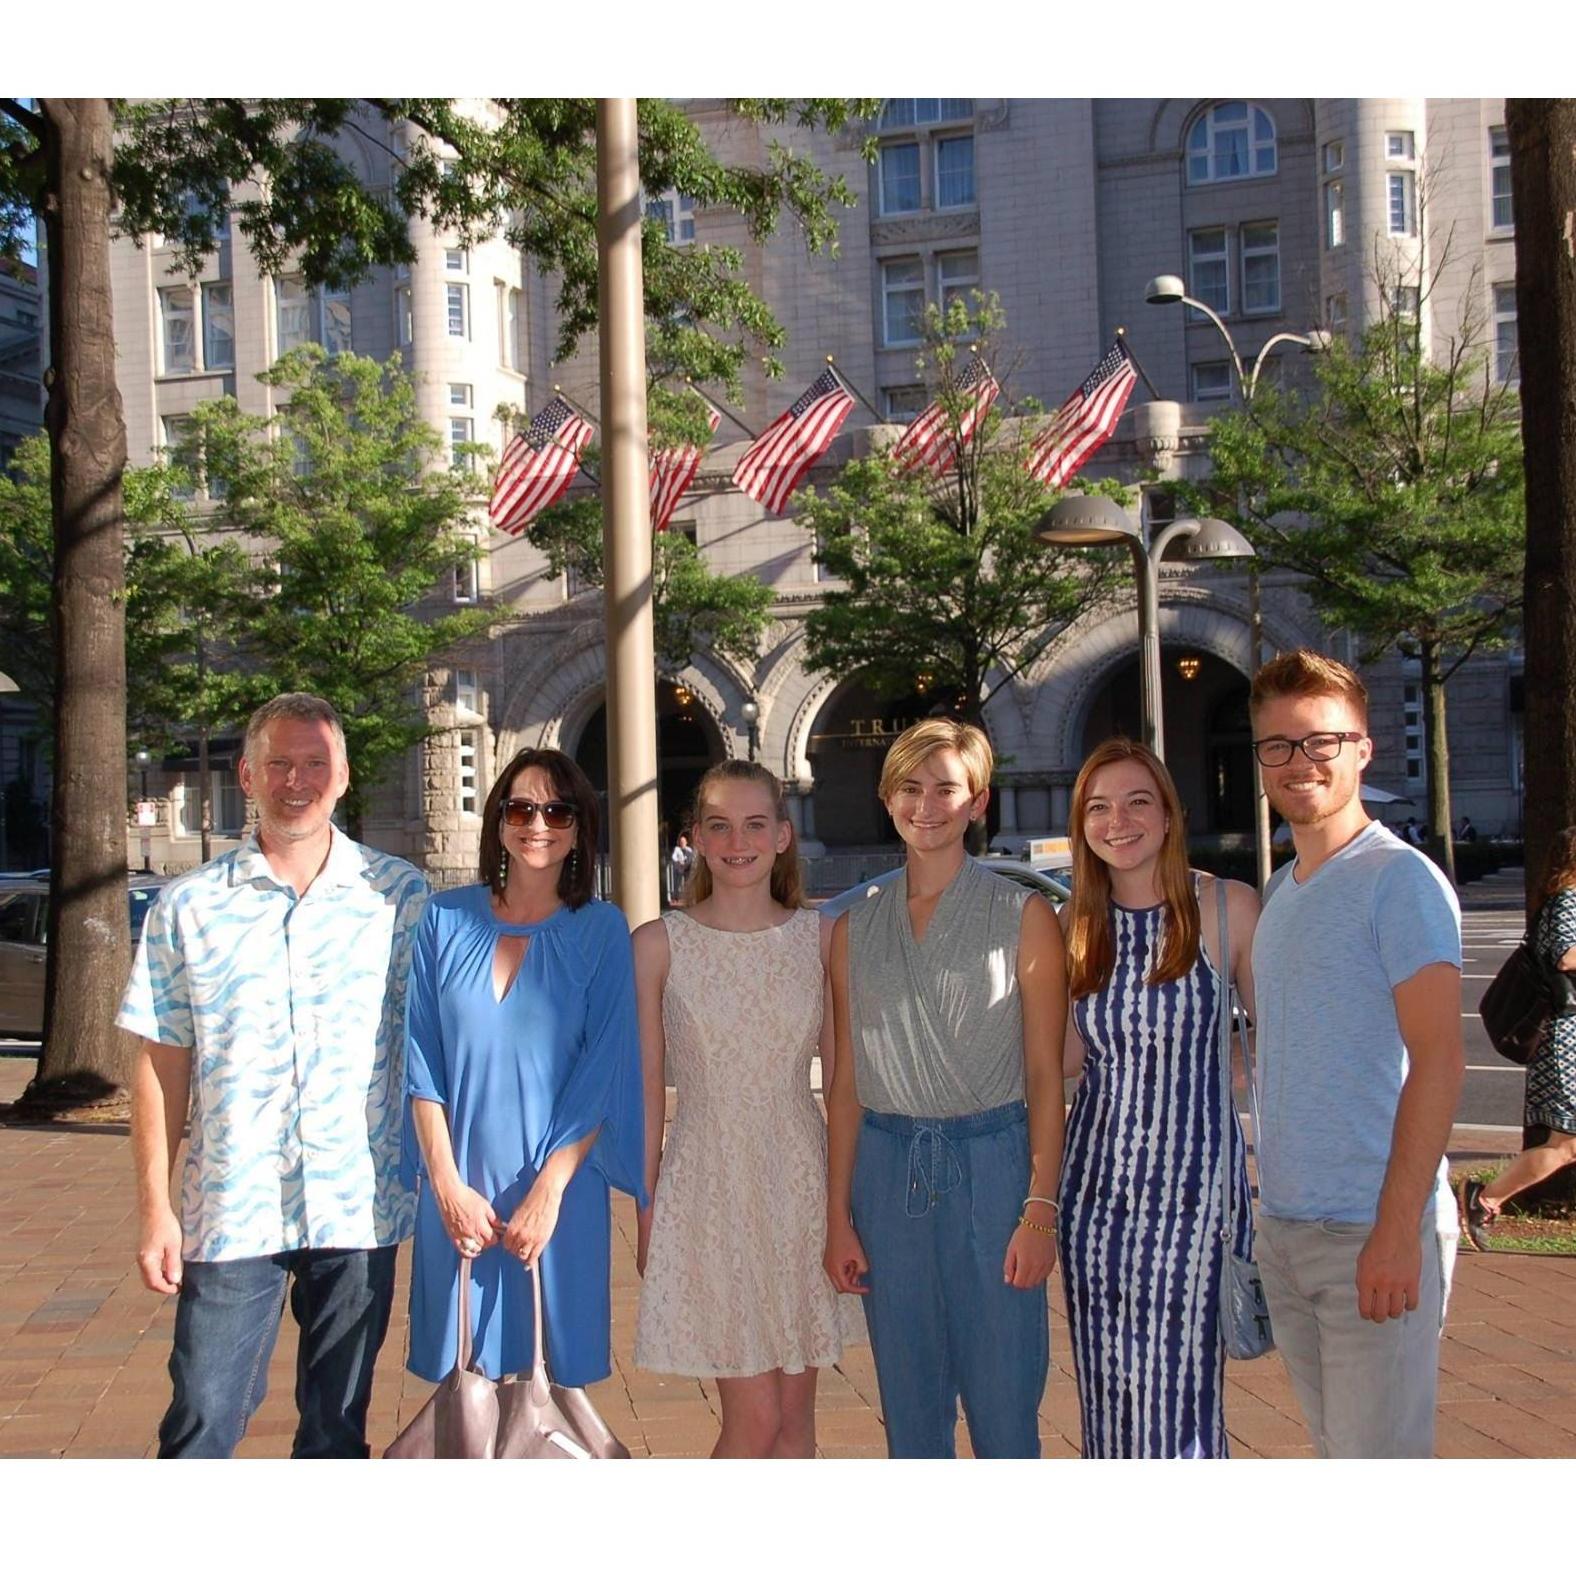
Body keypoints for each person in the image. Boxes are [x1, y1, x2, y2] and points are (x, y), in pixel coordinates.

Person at [120, 693, 429, 1458]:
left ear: (345, 775)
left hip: (359, 1207)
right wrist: (156, 1208)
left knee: (335, 1435)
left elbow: (442, 1049)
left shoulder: (400, 899)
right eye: (280, 763)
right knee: (200, 1421)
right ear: (247, 774)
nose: (298, 780)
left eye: (315, 763)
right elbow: (161, 1065)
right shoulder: (187, 907)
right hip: (232, 1210)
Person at [823, 719, 1066, 1458]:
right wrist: (837, 1216)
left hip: (994, 1166)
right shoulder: (851, 928)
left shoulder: (1022, 915)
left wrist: (1040, 1208)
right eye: (910, 787)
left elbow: (1046, 1075)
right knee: (911, 1408)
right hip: (887, 1171)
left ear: (978, 800)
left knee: (1004, 1403)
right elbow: (844, 1086)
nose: (926, 805)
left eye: (946, 788)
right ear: (887, 796)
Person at [1249, 650, 1464, 1458]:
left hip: (1372, 1230)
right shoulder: (1284, 893)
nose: (1299, 763)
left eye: (1320, 742)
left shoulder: (1397, 882)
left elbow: (1440, 1061)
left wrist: (1395, 1230)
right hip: (1290, 1230)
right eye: (1278, 745)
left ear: (1362, 749)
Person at [633, 761, 861, 1456]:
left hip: (800, 1182)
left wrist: (841, 1213)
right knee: (754, 1422)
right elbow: (645, 1088)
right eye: (720, 825)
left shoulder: (820, 939)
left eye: (755, 823)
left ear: (783, 835)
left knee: (797, 1432)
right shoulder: (657, 944)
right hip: (709, 1185)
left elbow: (845, 1086)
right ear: (695, 838)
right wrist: (646, 1210)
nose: (739, 840)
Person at [402, 748, 644, 1394]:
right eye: (521, 807)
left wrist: (548, 1192)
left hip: (559, 1194)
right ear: (498, 819)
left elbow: (603, 1072)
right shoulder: (443, 920)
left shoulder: (601, 931)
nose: (538, 823)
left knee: (551, 1402)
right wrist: (447, 1188)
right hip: (460, 1190)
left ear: (580, 827)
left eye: (557, 810)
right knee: (464, 1397)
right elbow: (421, 1064)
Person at [1058, 738, 1260, 1457]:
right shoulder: (1076, 927)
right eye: (1100, 807)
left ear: (1170, 816)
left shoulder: (1227, 909)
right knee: (1108, 1393)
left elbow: (1281, 1043)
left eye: (1138, 802)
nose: (1119, 821)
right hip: (1094, 1197)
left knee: (1179, 1401)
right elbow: (1064, 1063)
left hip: (1197, 1196)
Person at [1459, 825, 1576, 1248]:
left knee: (1567, 1144)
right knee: (1565, 1144)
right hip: (1563, 1042)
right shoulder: (1566, 902)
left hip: (1568, 1038)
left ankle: (1485, 1200)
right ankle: (1485, 1200)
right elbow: (1566, 957)